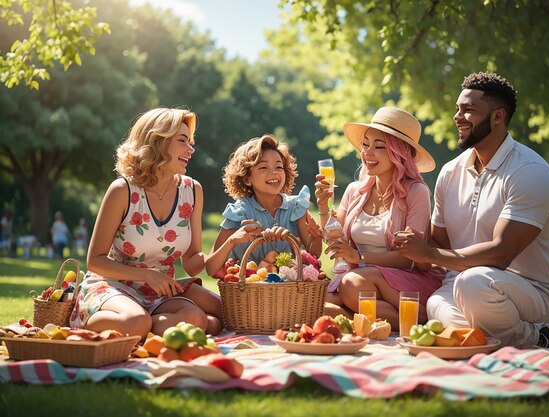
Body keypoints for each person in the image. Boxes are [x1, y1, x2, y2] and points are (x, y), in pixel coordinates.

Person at [394, 72, 549, 350]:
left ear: (498, 117)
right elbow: (441, 242)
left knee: (472, 284)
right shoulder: (450, 172)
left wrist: (427, 253)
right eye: (457, 109)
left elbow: (501, 254)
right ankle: (497, 340)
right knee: (437, 303)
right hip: (462, 287)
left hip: (528, 292)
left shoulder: (529, 172)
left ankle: (546, 337)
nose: (458, 117)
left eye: (468, 110)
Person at [70, 107, 222, 338]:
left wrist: (230, 244)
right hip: (114, 286)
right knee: (137, 322)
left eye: (190, 141)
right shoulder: (122, 190)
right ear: (157, 142)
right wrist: (147, 275)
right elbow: (95, 261)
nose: (191, 149)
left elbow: (191, 263)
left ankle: (145, 327)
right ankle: (89, 321)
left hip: (159, 291)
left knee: (199, 318)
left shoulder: (192, 191)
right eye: (182, 141)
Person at [314, 106, 444, 329]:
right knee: (318, 304)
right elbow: (332, 239)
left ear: (399, 153)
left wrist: (357, 256)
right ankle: (370, 319)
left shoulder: (416, 192)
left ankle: (418, 319)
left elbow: (411, 258)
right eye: (365, 145)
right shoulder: (355, 190)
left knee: (352, 284)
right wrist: (324, 207)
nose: (367, 152)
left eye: (379, 147)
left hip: (404, 281)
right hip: (362, 281)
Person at [205, 134, 323, 277]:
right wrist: (233, 239)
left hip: (290, 293)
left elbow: (314, 255)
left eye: (279, 166)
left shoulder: (296, 207)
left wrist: (316, 238)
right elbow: (211, 268)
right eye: (263, 167)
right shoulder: (239, 212)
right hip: (248, 294)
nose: (273, 172)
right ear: (247, 178)